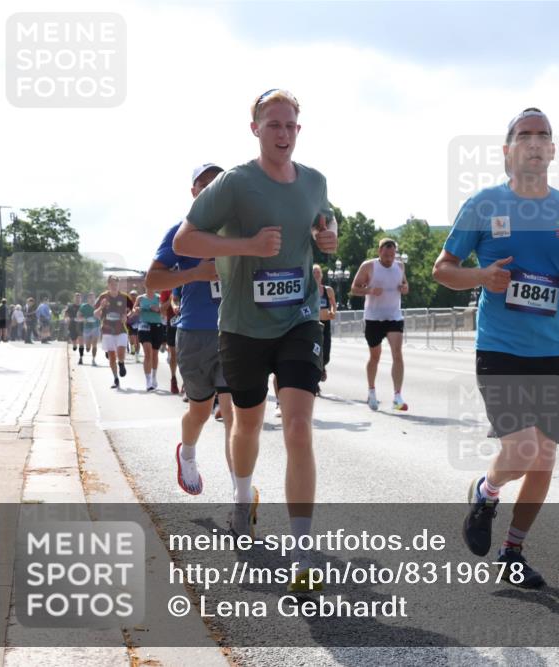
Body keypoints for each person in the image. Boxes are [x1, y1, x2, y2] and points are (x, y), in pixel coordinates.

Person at [433, 107, 559, 588]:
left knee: (544, 457)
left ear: (552, 150)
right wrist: (482, 277)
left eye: (543, 135)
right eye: (525, 135)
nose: (535, 142)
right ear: (508, 151)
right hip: (501, 348)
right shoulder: (484, 205)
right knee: (524, 449)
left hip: (552, 350)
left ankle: (513, 551)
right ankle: (487, 491)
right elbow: (442, 269)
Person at [172, 89, 338, 592]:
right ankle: (243, 495)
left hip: (300, 319)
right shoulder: (233, 184)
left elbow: (322, 233)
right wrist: (243, 246)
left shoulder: (314, 181)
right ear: (255, 129)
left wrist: (327, 242)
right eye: (274, 125)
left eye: (291, 126)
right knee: (246, 426)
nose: (283, 134)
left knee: (298, 427)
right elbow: (185, 240)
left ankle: (302, 551)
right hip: (242, 325)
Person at [147, 161, 236, 497]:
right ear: (194, 192)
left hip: (234, 332)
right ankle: (187, 453)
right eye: (204, 183)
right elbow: (153, 281)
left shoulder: (240, 233)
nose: (211, 189)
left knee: (233, 415)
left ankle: (239, 496)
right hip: (194, 335)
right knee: (199, 411)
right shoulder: (179, 233)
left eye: (218, 183)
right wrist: (194, 274)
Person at [350, 238, 409, 411]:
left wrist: (405, 288)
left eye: (392, 255)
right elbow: (354, 288)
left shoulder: (400, 266)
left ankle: (397, 396)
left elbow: (405, 284)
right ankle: (371, 391)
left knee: (397, 353)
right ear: (379, 252)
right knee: (375, 356)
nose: (389, 258)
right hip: (373, 318)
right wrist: (369, 290)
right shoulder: (369, 266)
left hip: (393, 316)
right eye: (386, 254)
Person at [95, 276, 133, 389]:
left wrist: (127, 316)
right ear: (108, 284)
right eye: (111, 284)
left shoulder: (124, 297)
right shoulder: (103, 297)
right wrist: (101, 307)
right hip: (107, 330)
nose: (113, 286)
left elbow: (133, 309)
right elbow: (95, 314)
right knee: (111, 356)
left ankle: (121, 363)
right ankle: (115, 378)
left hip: (121, 329)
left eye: (115, 284)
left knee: (121, 351)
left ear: (118, 285)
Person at [133, 287, 165, 391]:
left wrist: (158, 309)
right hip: (144, 325)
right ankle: (148, 381)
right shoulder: (140, 298)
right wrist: (136, 310)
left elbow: (163, 312)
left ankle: (154, 376)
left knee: (155, 354)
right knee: (148, 353)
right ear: (145, 285)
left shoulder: (159, 298)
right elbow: (134, 309)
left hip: (157, 326)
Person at [314, 264, 337, 382]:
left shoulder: (328, 290)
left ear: (321, 275)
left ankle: (322, 366)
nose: (317, 275)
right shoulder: (308, 291)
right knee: (315, 352)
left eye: (318, 272)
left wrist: (333, 312)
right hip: (313, 324)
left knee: (326, 353)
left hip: (326, 323)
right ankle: (315, 377)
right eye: (314, 273)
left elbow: (333, 304)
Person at [160, 289, 182, 394]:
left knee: (185, 354)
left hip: (187, 322)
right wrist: (170, 300)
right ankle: (173, 378)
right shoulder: (167, 288)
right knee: (174, 354)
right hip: (172, 323)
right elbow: (162, 309)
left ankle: (186, 383)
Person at [80, 292, 100, 365]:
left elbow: (102, 314)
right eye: (90, 298)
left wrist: (99, 317)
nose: (92, 299)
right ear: (88, 299)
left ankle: (93, 360)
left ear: (95, 298)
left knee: (94, 344)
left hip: (96, 327)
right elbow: (78, 316)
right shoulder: (84, 306)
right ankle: (88, 347)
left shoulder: (98, 306)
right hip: (87, 328)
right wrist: (83, 319)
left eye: (93, 297)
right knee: (88, 347)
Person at [64, 293, 84, 362]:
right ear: (74, 299)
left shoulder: (83, 306)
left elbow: (86, 315)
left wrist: (84, 319)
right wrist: (66, 319)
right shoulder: (70, 306)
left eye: (79, 298)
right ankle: (74, 345)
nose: (77, 299)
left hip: (81, 326)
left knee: (81, 341)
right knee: (74, 341)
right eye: (76, 298)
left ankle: (81, 357)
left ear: (81, 299)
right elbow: (66, 314)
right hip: (72, 326)